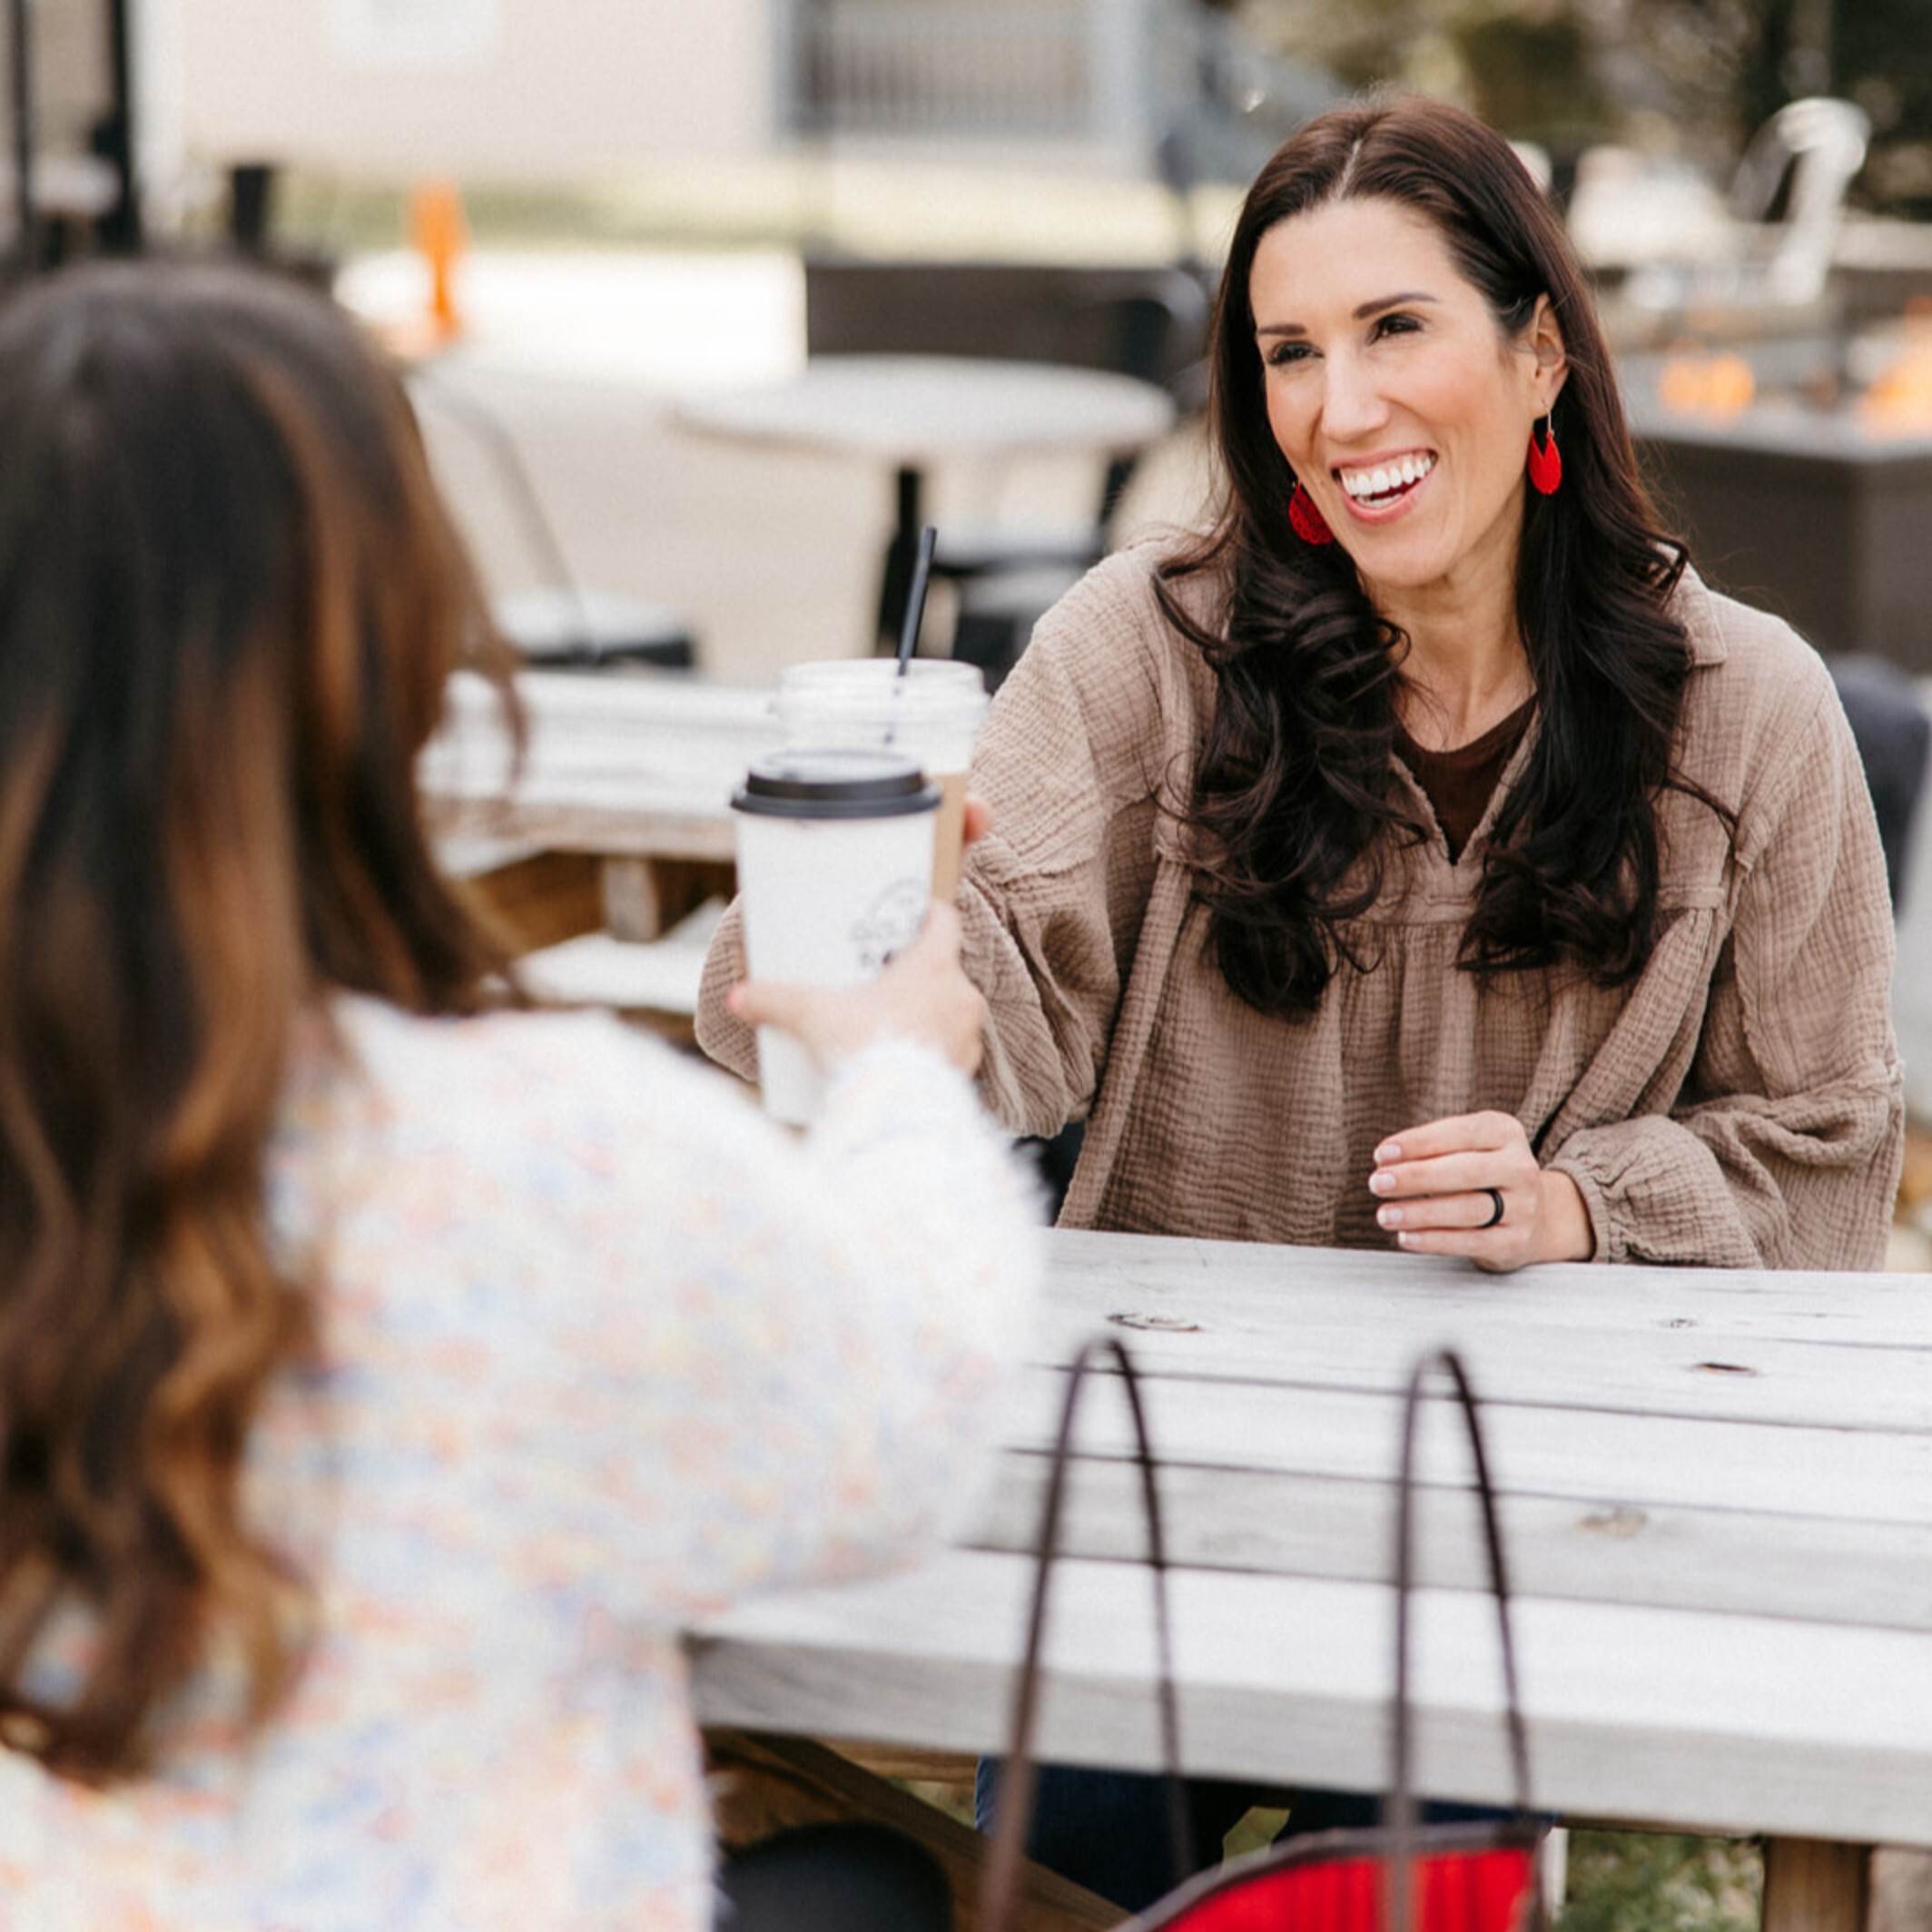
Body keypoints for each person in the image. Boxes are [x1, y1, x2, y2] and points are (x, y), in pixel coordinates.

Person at [697, 92, 1906, 1906]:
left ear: (1541, 356)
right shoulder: (1147, 647)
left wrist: (1583, 1204)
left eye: (1393, 328)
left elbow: (1826, 1154)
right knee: (1061, 1865)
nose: (1339, 412)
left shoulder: (1748, 709)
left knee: (1423, 1879)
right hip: (1157, 1495)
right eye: (1287, 353)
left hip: (1520, 1503)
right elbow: (988, 968)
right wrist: (888, 962)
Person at [0, 258, 1044, 1932]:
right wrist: (899, 1078)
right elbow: (904, 1426)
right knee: (864, 1896)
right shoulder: (537, 1164)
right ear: (390, 650)